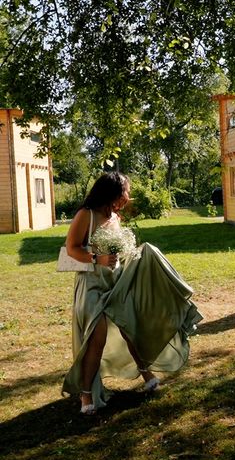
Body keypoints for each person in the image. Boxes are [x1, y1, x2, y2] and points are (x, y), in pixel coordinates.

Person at [62, 172, 202, 415]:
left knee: (130, 324)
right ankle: (86, 394)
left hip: (117, 280)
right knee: (98, 335)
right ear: (112, 192)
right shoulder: (86, 215)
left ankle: (146, 373)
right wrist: (97, 258)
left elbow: (118, 249)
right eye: (125, 191)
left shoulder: (115, 216)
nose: (128, 196)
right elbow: (71, 249)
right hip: (93, 283)